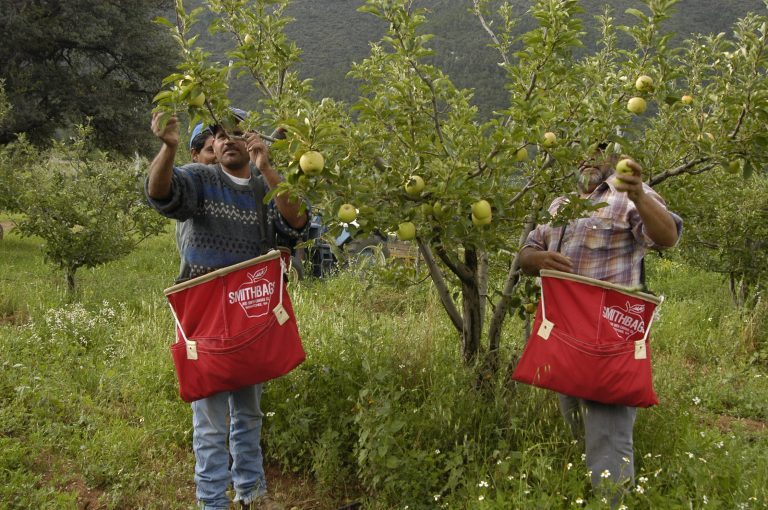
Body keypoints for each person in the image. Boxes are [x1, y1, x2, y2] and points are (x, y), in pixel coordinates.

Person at [147, 109, 309, 510]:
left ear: (250, 139)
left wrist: (269, 168)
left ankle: (252, 494)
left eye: (236, 132)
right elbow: (161, 194)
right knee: (210, 424)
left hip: (250, 314)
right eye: (219, 134)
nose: (227, 139)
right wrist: (167, 148)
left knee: (249, 415)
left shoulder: (261, 187)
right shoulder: (200, 178)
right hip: (205, 314)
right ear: (213, 146)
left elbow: (298, 222)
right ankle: (212, 502)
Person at [518, 143, 683, 504]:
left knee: (608, 436)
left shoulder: (626, 197)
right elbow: (526, 254)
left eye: (596, 149)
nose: (586, 157)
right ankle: (588, 497)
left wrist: (638, 192)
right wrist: (540, 257)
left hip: (608, 337)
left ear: (612, 156)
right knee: (576, 423)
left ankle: (610, 500)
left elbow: (667, 237)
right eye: (579, 148)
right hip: (564, 338)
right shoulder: (561, 206)